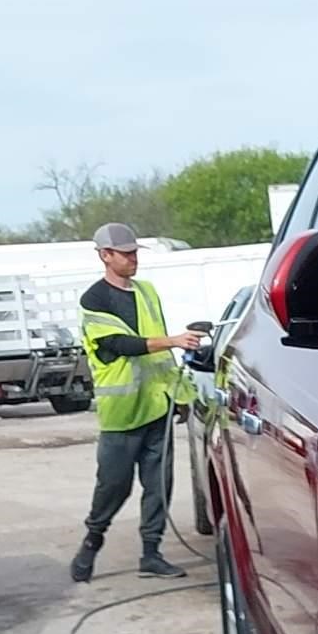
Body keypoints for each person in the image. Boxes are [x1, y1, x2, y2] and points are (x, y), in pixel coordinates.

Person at [71, 223, 202, 582]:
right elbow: (120, 345)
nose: (132, 259)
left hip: (158, 406)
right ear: (105, 256)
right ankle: (92, 541)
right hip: (122, 413)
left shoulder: (146, 292)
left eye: (134, 253)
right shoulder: (93, 301)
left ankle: (151, 553)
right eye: (125, 254)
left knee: (159, 486)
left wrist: (183, 395)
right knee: (113, 486)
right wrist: (174, 340)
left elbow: (160, 355)